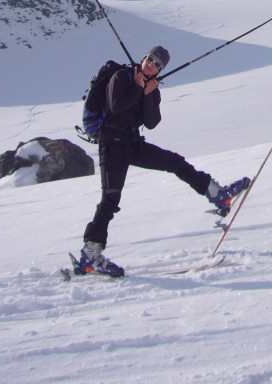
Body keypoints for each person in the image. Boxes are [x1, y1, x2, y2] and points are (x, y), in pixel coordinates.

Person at [78, 45, 250, 276]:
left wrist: (148, 95)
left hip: (132, 143)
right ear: (143, 57)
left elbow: (151, 122)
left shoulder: (153, 89)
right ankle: (90, 256)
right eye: (150, 59)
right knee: (110, 199)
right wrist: (139, 89)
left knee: (175, 163)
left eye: (157, 64)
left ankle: (219, 195)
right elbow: (116, 107)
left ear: (160, 70)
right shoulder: (121, 77)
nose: (152, 64)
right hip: (112, 144)